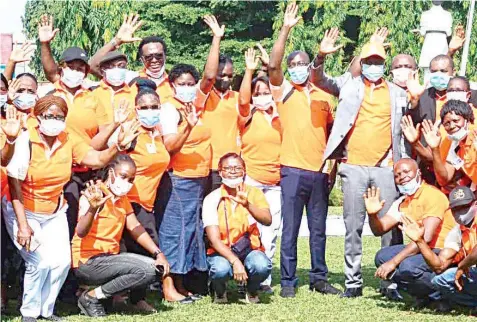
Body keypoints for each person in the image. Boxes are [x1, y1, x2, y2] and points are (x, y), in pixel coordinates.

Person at [2, 95, 138, 322]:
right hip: (23, 208)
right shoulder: (26, 139)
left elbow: (95, 159)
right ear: (38, 116)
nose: (54, 120)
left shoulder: (68, 139)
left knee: (62, 262)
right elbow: (14, 185)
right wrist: (23, 226)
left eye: (59, 117)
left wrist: (118, 146)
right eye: (49, 116)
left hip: (54, 210)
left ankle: (46, 311)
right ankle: (29, 313)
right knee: (39, 261)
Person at [312, 27, 408, 298]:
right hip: (353, 166)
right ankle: (353, 282)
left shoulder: (397, 92)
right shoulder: (349, 84)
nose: (374, 66)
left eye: (379, 63)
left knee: (390, 227)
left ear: (384, 66)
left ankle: (390, 283)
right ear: (362, 64)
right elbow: (318, 79)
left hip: (386, 167)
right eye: (370, 62)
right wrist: (320, 56)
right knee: (352, 226)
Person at [268, 3, 339, 298]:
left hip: (319, 171)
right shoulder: (283, 90)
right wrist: (286, 28)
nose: (297, 68)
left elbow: (334, 135)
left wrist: (332, 166)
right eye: (293, 64)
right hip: (293, 170)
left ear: (310, 66)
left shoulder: (325, 94)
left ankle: (319, 278)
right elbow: (273, 65)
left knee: (319, 229)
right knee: (291, 228)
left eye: (302, 63)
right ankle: (287, 281)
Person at [155, 14, 223, 300]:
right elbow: (170, 146)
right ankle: (168, 286)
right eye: (182, 82)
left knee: (190, 232)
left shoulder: (196, 103)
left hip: (199, 180)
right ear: (172, 84)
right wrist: (188, 126)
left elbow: (210, 76)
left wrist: (216, 38)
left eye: (191, 82)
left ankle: (182, 284)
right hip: (178, 179)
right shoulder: (169, 108)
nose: (188, 86)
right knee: (174, 232)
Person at [71, 155, 170, 317]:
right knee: (147, 270)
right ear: (111, 173)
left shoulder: (122, 200)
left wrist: (158, 254)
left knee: (152, 266)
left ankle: (99, 295)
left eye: (131, 180)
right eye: (123, 177)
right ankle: (90, 297)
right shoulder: (94, 193)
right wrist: (93, 208)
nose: (127, 183)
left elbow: (136, 227)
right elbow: (81, 232)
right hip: (88, 261)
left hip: (109, 259)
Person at [367, 158, 456, 309]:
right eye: (397, 174)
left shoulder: (432, 195)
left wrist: (394, 262)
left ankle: (443, 295)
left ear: (418, 173)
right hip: (420, 248)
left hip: (440, 249)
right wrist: (372, 215)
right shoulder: (403, 201)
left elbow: (426, 238)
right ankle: (424, 295)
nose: (402, 176)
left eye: (406, 171)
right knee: (382, 257)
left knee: (407, 266)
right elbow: (379, 230)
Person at [238, 48, 281, 293]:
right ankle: (245, 274)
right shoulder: (247, 116)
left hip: (276, 183)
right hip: (252, 180)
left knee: (271, 230)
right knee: (250, 228)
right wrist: (250, 71)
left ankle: (263, 278)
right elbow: (243, 101)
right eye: (258, 93)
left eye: (266, 93)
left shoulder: (280, 116)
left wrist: (271, 67)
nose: (263, 96)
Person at [203, 153, 272, 303]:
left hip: (249, 249)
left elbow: (267, 220)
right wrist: (235, 261)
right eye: (228, 168)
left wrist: (247, 205)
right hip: (221, 252)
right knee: (220, 269)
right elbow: (214, 240)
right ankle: (220, 292)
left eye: (237, 168)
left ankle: (251, 291)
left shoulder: (255, 193)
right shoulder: (212, 198)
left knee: (262, 265)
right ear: (220, 172)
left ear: (245, 171)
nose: (233, 171)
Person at [400, 185, 477, 312]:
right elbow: (439, 266)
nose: (460, 212)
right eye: (455, 209)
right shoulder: (457, 231)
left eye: (465, 207)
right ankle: (472, 304)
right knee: (439, 280)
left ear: (475, 204)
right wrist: (420, 241)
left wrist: (462, 266)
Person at [201, 16, 250, 193]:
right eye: (221, 75)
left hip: (231, 168)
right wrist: (217, 38)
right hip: (207, 166)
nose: (226, 79)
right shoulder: (203, 96)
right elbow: (208, 77)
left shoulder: (237, 98)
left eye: (229, 76)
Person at [422, 100, 477, 192]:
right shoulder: (455, 145)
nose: (452, 126)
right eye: (447, 123)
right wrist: (434, 148)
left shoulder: (475, 136)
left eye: (456, 121)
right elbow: (444, 179)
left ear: (467, 120)